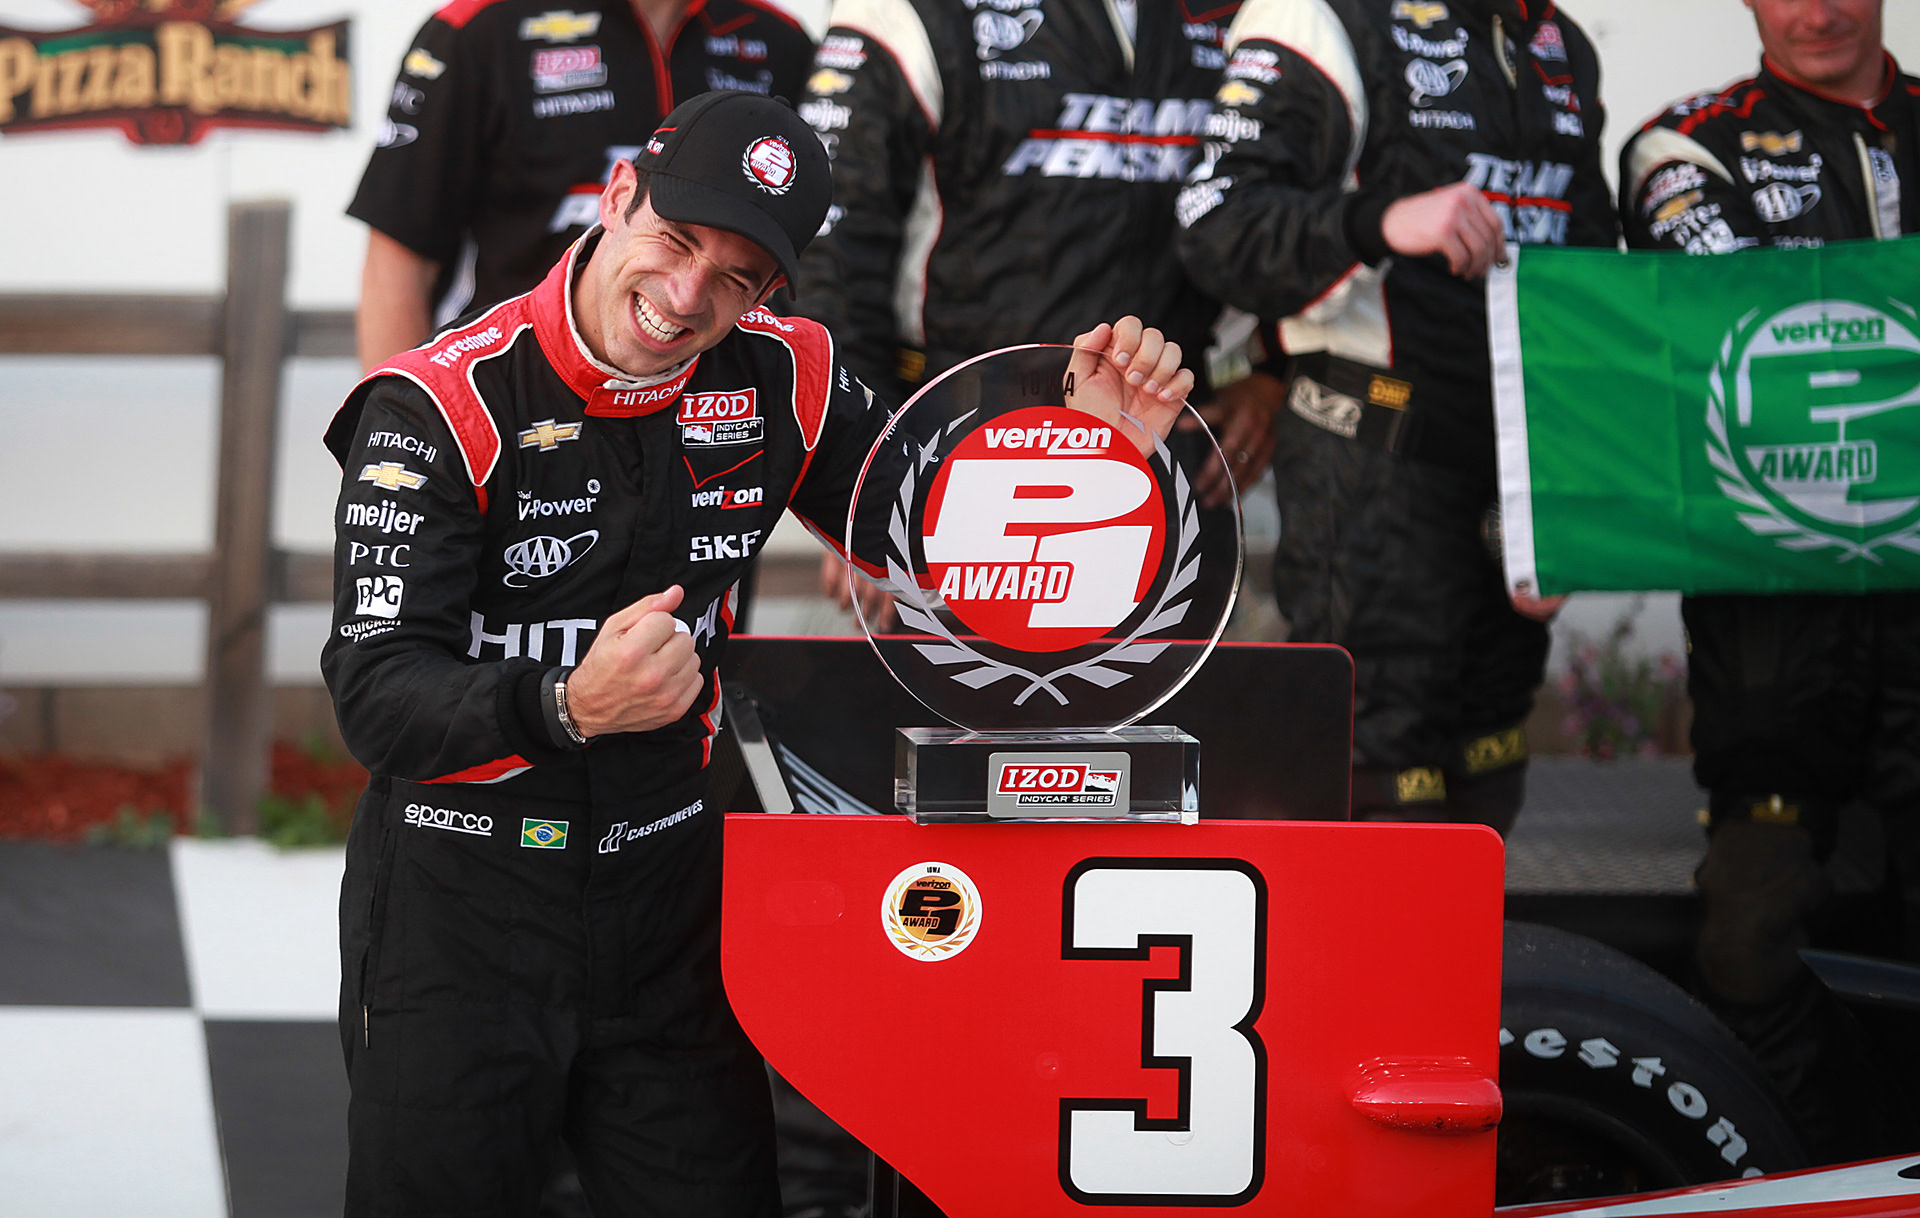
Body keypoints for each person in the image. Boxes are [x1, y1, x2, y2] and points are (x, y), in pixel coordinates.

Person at [323, 90, 1193, 1215]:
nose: (686, 299)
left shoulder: (789, 375)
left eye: (734, 278)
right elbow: (375, 699)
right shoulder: (439, 404)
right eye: (675, 244)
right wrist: (569, 704)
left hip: (671, 905)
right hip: (460, 912)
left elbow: (961, 552)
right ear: (619, 194)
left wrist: (1093, 460)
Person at [1175, 0, 1617, 832]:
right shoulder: (1320, 18)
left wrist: (1578, 487)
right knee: (1383, 775)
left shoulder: (1560, 42)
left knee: (1488, 756)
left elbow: (1593, 275)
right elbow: (1217, 227)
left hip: (1516, 476)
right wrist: (1376, 222)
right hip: (1373, 461)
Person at [1619, 0, 1919, 1161]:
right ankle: (1813, 1169)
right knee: (1749, 941)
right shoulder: (1683, 143)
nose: (1821, 8)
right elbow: (1726, 311)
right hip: (1773, 624)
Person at [790, 0, 1284, 620]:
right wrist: (860, 481)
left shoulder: (1254, 12)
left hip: (1166, 444)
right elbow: (830, 255)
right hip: (958, 444)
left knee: (1165, 707)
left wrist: (1274, 371)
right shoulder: (909, 11)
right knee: (971, 710)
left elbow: (1282, 196)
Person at [348, 0, 816, 371]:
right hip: (509, 399)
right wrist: (395, 431)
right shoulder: (479, 29)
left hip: (708, 417)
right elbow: (397, 266)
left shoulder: (780, 40)